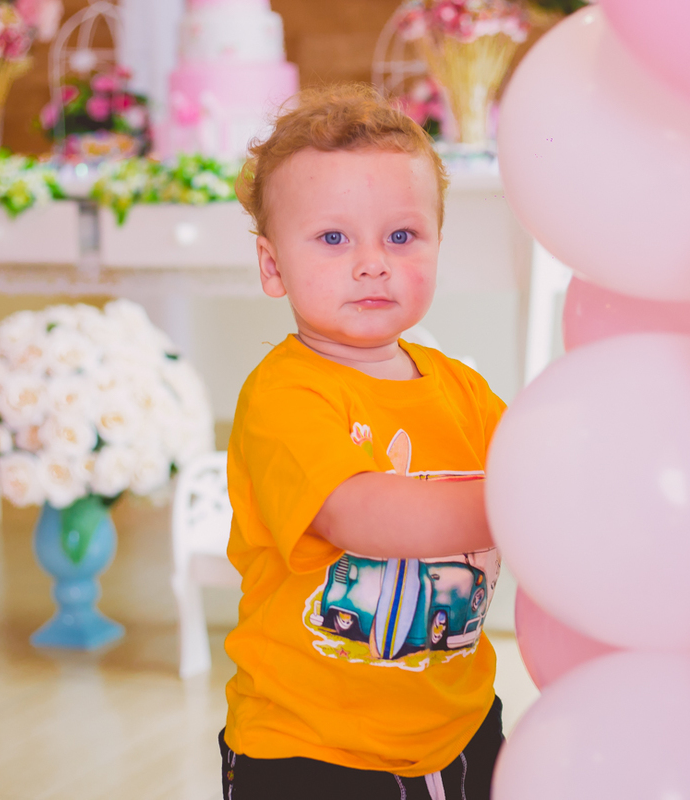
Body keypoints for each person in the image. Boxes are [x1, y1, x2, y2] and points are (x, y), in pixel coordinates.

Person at [219, 83, 507, 800]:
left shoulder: (462, 389)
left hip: (462, 726)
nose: (372, 262)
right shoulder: (284, 397)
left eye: (401, 237)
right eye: (333, 238)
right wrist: (522, 500)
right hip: (313, 752)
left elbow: (540, 458)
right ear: (273, 266)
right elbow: (363, 515)